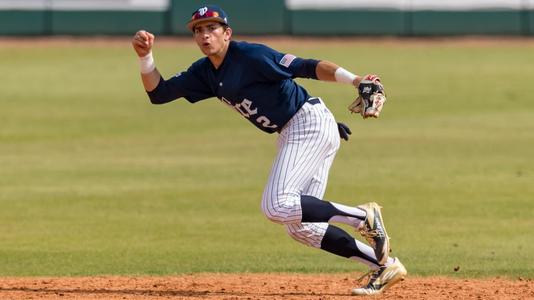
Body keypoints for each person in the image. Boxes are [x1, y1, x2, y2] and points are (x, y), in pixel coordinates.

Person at [132, 5, 406, 296]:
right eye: (198, 30)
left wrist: (355, 80)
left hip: (307, 124)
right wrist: (145, 56)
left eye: (212, 28)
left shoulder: (251, 55)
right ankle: (386, 265)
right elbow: (159, 94)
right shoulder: (205, 72)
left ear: (227, 33)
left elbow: (306, 66)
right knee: (302, 227)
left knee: (276, 206)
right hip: (302, 127)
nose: (204, 35)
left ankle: (362, 217)